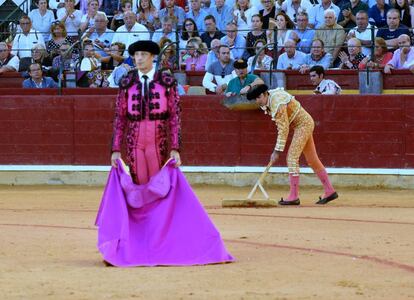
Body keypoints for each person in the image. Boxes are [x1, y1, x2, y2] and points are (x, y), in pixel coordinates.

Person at [96, 40, 234, 267]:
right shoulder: (127, 82)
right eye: (136, 55)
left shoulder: (166, 82)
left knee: (159, 192)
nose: (138, 59)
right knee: (140, 192)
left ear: (152, 57)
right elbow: (120, 118)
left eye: (142, 54)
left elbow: (174, 118)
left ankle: (160, 243)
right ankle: (140, 243)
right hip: (134, 143)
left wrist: (175, 148)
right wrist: (115, 149)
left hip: (158, 143)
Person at [246, 84, 339, 205]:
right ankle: (329, 190)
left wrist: (277, 151)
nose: (257, 101)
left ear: (264, 94)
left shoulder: (277, 102)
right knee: (312, 160)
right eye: (255, 99)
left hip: (303, 125)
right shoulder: (269, 100)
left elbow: (283, 129)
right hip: (303, 124)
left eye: (258, 98)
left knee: (292, 158)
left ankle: (294, 196)